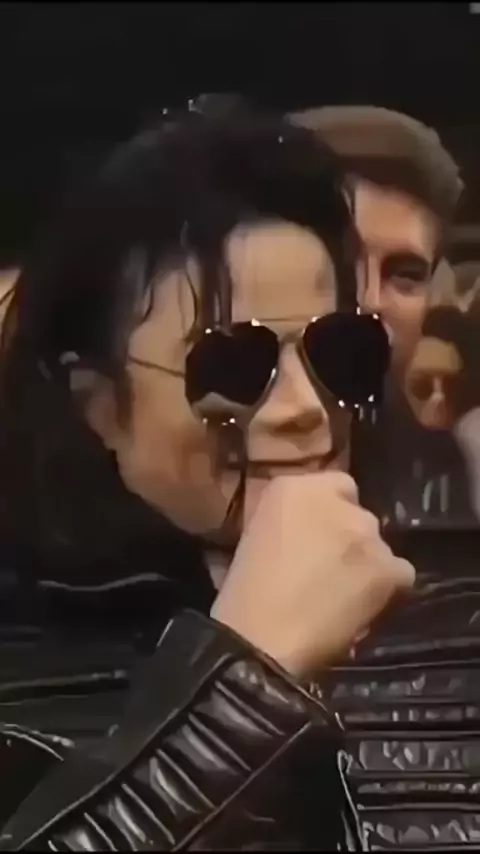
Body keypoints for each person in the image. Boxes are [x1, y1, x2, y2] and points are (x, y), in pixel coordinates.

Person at [0, 106, 415, 849]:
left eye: (337, 351)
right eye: (231, 366)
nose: (304, 407)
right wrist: (244, 676)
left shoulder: (453, 606)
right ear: (99, 405)